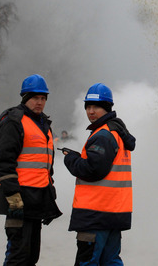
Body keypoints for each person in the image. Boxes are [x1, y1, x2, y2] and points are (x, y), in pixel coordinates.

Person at [61, 83, 136, 265]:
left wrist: (71, 159)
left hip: (95, 214)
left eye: (96, 107)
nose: (91, 111)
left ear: (107, 108)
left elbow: (92, 170)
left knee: (88, 261)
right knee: (111, 261)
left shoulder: (103, 135)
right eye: (88, 106)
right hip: (113, 213)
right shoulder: (116, 132)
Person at [0, 74, 62, 265]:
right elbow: (3, 162)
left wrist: (49, 191)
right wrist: (12, 195)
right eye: (35, 98)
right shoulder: (14, 121)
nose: (39, 102)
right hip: (18, 199)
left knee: (32, 256)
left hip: (36, 199)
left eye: (43, 98)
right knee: (18, 256)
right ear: (25, 98)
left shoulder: (43, 124)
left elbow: (44, 165)